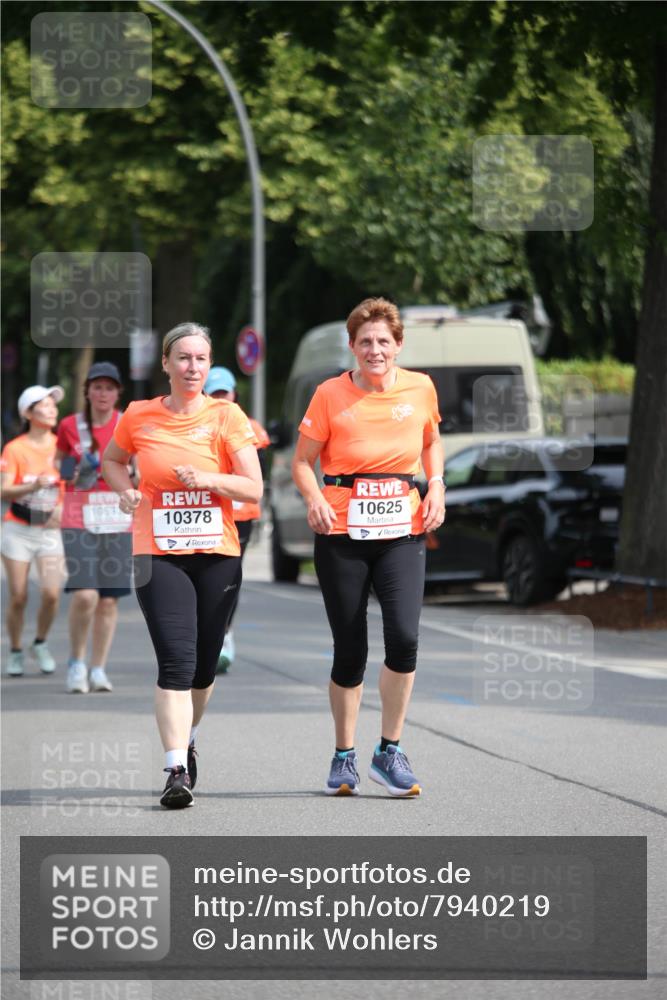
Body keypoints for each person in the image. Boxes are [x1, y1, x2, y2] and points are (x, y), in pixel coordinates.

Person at [102, 323, 262, 809]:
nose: (193, 368)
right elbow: (112, 461)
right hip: (158, 550)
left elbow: (252, 488)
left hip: (216, 552)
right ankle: (175, 767)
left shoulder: (227, 415)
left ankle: (187, 736)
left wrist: (208, 478)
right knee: (176, 659)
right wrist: (124, 490)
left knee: (204, 667)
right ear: (167, 365)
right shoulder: (138, 415)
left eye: (201, 359)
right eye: (184, 359)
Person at [291, 297, 445, 797]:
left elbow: (431, 440)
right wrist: (314, 497)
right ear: (352, 347)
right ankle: (343, 756)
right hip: (343, 533)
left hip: (403, 528)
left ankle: (390, 750)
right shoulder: (329, 394)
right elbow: (301, 462)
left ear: (398, 345)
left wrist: (437, 483)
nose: (374, 350)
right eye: (364, 342)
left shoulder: (420, 387)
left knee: (404, 637)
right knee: (350, 647)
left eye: (383, 341)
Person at [56, 362, 133, 694]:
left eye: (110, 387)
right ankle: (76, 662)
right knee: (86, 595)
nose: (103, 393)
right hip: (78, 519)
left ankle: (98, 667)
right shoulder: (70, 426)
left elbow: (141, 464)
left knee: (108, 601)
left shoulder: (127, 424)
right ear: (87, 390)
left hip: (118, 517)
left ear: (118, 393)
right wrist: (73, 472)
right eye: (97, 387)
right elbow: (62, 465)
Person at [203, 366, 270, 672]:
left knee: (229, 576)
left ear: (234, 394)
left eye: (224, 393)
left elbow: (261, 474)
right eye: (214, 393)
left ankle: (225, 634)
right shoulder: (198, 423)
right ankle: (202, 635)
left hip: (240, 513)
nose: (220, 399)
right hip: (205, 513)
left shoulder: (251, 427)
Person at [1, 385, 66, 677]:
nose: (52, 409)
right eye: (45, 405)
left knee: (52, 594)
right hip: (17, 529)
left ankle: (39, 642)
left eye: (54, 405)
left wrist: (63, 508)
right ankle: (15, 650)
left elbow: (70, 485)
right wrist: (33, 485)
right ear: (28, 413)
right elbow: (3, 490)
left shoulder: (61, 447)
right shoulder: (15, 448)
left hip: (49, 530)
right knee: (18, 596)